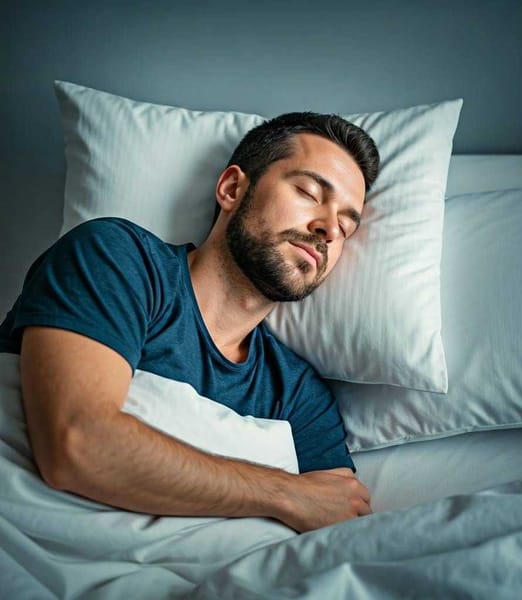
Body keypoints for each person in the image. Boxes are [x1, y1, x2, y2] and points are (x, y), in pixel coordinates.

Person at [0, 112, 380, 533]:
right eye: (309, 192)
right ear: (232, 188)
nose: (328, 229)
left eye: (346, 226)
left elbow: (340, 523)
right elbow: (76, 444)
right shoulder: (119, 260)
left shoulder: (299, 399)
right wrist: (284, 493)